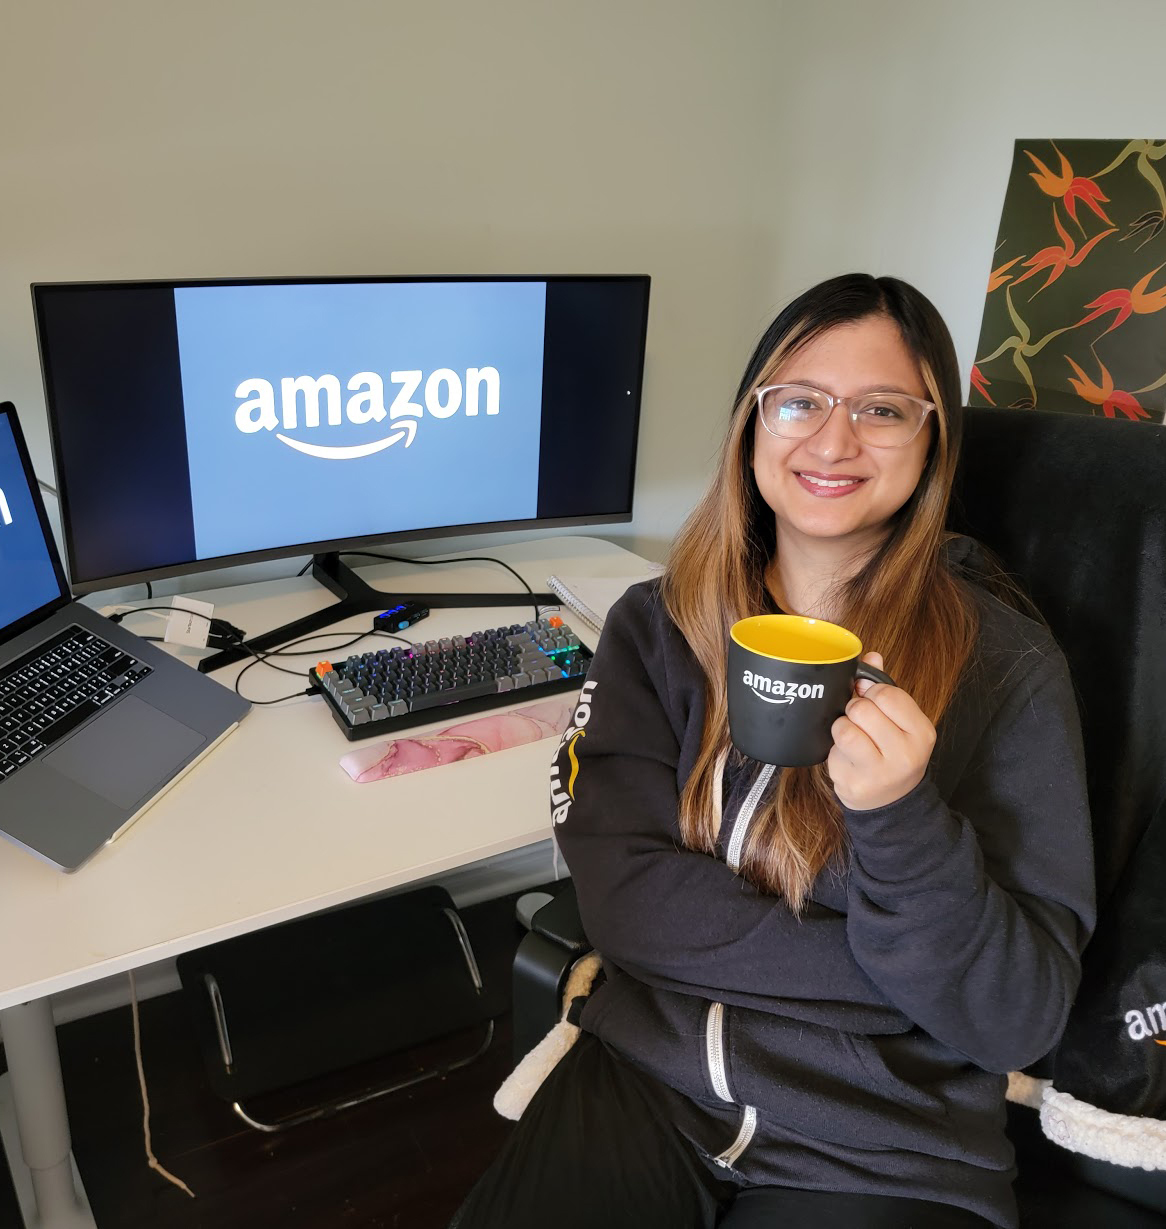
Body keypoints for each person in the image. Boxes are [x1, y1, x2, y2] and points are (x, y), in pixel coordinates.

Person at [452, 274, 1097, 1228]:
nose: (832, 441)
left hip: (881, 1144)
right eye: (798, 401)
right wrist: (899, 989)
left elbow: (1012, 1015)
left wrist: (900, 816)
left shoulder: (1007, 671)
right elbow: (624, 902)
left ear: (931, 443)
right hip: (648, 1080)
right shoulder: (656, 624)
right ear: (752, 422)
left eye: (881, 410)